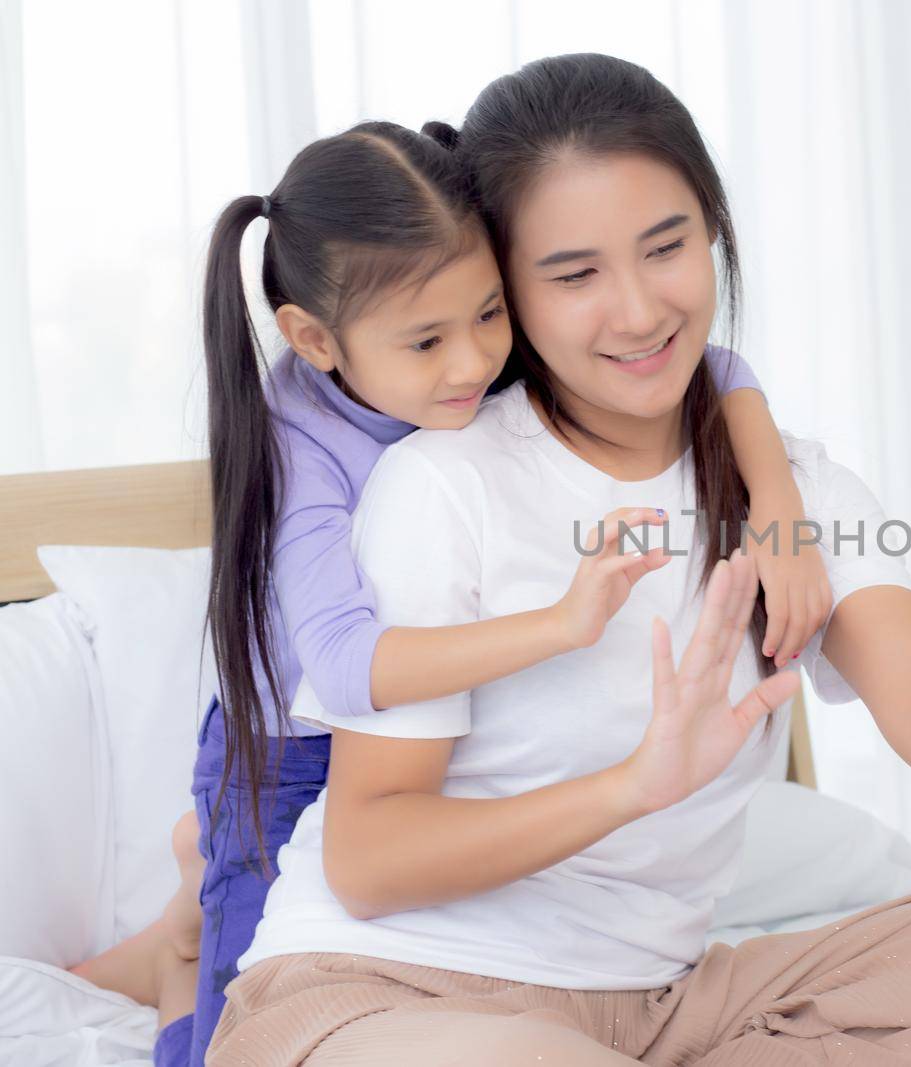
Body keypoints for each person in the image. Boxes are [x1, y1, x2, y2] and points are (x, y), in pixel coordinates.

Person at [204, 55, 911, 1065]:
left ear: (713, 233)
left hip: (662, 1009)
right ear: (506, 287)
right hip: (389, 997)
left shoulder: (791, 490)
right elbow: (370, 858)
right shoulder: (442, 482)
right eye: (573, 274)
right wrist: (631, 786)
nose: (638, 312)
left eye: (666, 246)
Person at [68, 118, 829, 1067]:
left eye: (489, 315)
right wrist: (556, 625)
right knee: (224, 1037)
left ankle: (194, 886)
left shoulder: (466, 357)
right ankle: (185, 940)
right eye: (428, 340)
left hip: (419, 744)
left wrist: (782, 507)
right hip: (295, 748)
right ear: (314, 339)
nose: (473, 362)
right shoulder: (300, 447)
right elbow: (346, 668)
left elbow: (710, 370)